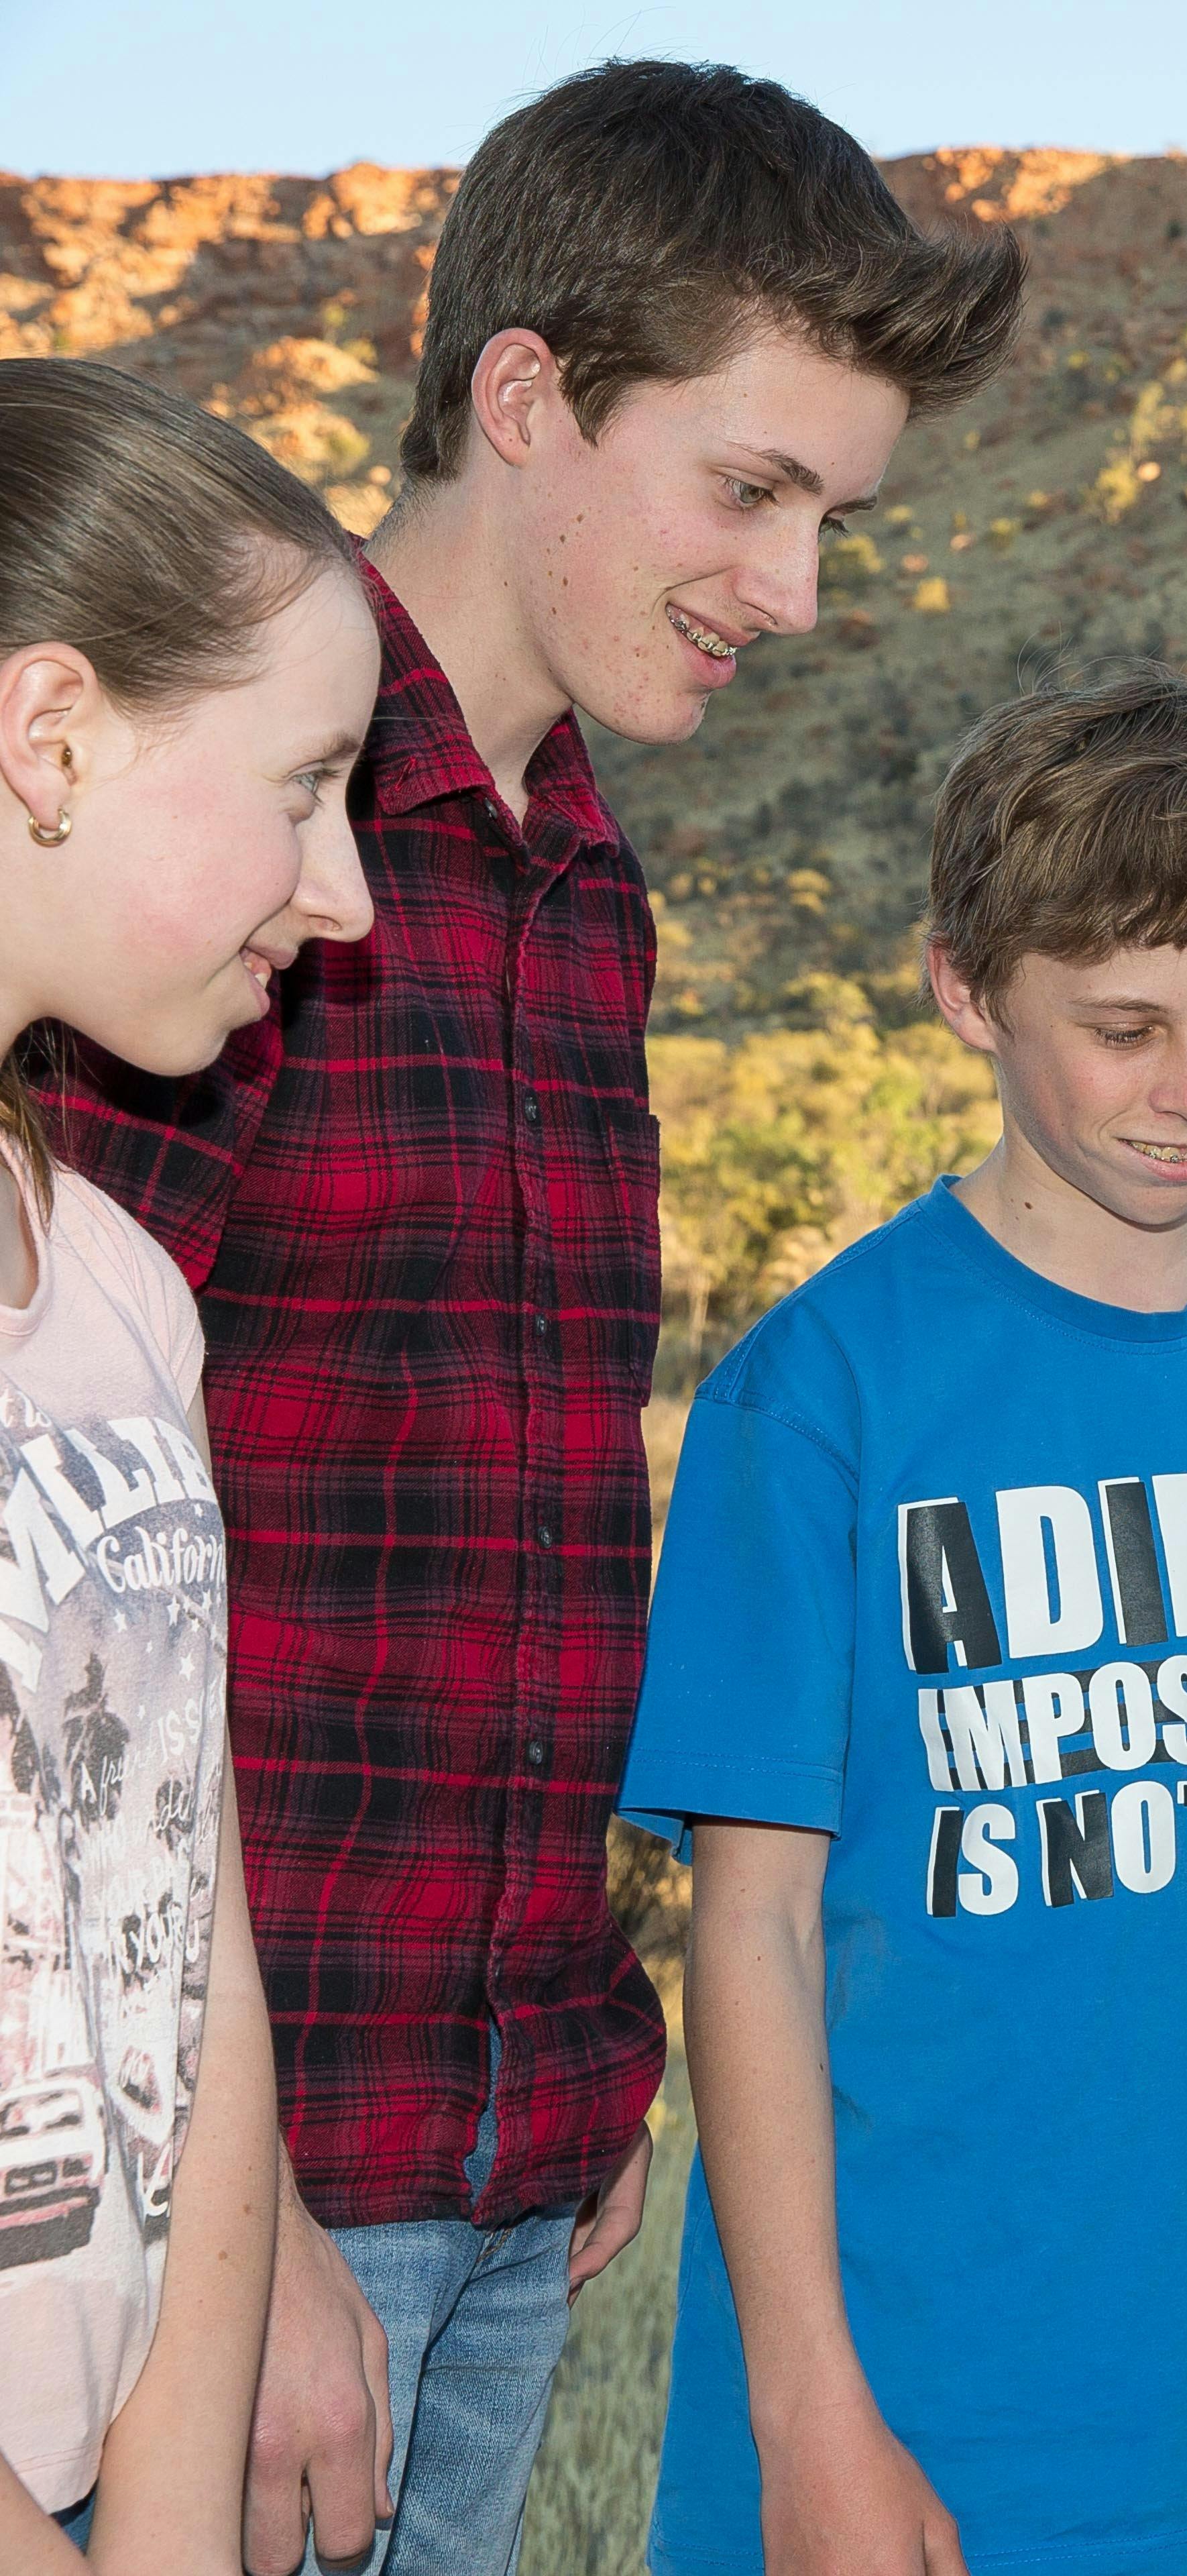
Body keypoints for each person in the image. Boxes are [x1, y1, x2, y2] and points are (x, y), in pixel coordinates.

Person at [43, 62, 1024, 2576]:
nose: (797, 590)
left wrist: (564, 2051)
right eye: (752, 489)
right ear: (522, 399)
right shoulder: (196, 850)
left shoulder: (583, 878)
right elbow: (106, 1594)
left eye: (836, 517)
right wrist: (237, 2259)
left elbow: (497, 1516)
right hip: (244, 2191)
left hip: (511, 2151)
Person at [619, 667, 1187, 2576]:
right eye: (1126, 1031)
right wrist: (810, 2409)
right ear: (968, 993)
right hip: (901, 2411)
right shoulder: (816, 1395)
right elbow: (752, 1928)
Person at [0, 360, 376, 2565]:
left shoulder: (129, 1295)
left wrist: (159, 2522)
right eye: (306, 786)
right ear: (50, 737)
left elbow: (187, 1932)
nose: (341, 892)